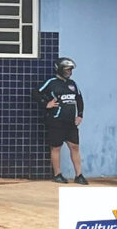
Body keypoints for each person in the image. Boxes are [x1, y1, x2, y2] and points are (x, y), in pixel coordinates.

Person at [32, 57, 87, 185]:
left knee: (75, 147)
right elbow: (36, 93)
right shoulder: (51, 82)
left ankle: (79, 175)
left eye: (71, 70)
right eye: (67, 69)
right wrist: (46, 103)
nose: (70, 72)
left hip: (70, 123)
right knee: (56, 148)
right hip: (56, 121)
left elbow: (79, 99)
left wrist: (80, 115)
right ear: (60, 69)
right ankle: (57, 174)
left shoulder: (72, 84)